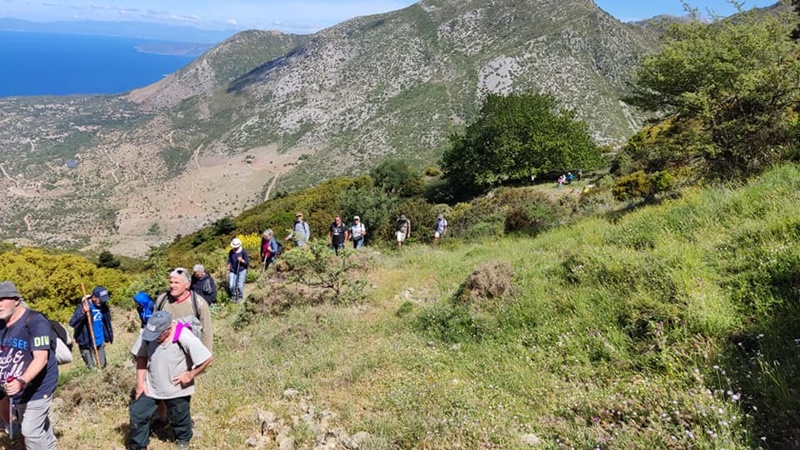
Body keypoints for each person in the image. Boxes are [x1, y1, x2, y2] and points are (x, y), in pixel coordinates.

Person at [127, 311, 213, 450]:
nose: (153, 339)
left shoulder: (184, 336)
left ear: (168, 329)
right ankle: (138, 446)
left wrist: (190, 375)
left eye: (157, 336)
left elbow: (207, 359)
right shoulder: (147, 335)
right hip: (151, 385)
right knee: (137, 413)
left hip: (177, 388)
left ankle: (183, 439)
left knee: (180, 417)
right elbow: (142, 357)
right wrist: (139, 383)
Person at [0, 281, 59, 449]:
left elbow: (41, 358)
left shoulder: (35, 321)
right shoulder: (1, 323)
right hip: (15, 386)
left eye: (3, 299)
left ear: (17, 300)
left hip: (39, 385)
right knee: (32, 421)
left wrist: (21, 381)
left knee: (30, 430)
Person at [157, 268, 214, 352]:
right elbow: (154, 325)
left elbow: (206, 331)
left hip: (189, 352)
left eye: (176, 283)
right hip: (166, 351)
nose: (172, 286)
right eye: (171, 282)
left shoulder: (198, 303)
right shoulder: (162, 300)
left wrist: (206, 354)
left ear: (187, 285)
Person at [68, 285, 113, 369]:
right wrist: (83, 312)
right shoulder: (83, 306)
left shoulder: (104, 307)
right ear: (94, 297)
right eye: (100, 300)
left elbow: (107, 323)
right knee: (91, 368)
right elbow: (72, 323)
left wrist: (108, 336)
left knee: (102, 366)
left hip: (99, 340)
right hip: (86, 341)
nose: (102, 302)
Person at [226, 238, 249, 302]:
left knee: (239, 285)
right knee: (231, 285)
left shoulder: (243, 252)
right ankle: (233, 296)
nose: (235, 248)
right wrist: (228, 265)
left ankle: (240, 297)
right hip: (233, 270)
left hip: (241, 270)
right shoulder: (231, 251)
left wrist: (242, 260)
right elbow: (229, 260)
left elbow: (247, 262)